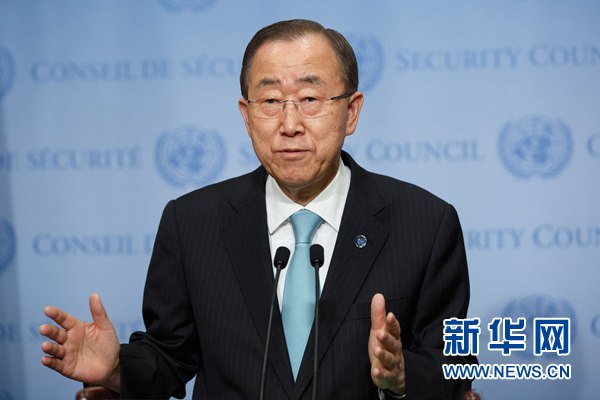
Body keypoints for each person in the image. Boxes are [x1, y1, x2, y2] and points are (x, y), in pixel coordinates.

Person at [39, 19, 476, 399]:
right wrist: (116, 368)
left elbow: (457, 364)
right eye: (270, 102)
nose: (290, 124)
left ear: (351, 112)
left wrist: (402, 376)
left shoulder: (425, 223)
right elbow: (170, 355)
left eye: (310, 99)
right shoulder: (192, 224)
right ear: (246, 115)